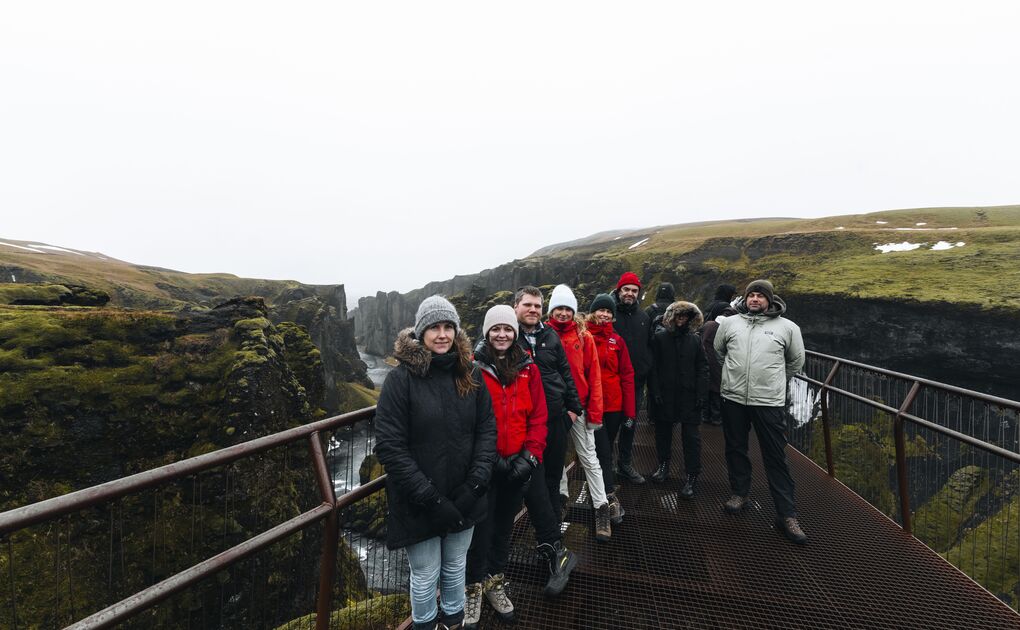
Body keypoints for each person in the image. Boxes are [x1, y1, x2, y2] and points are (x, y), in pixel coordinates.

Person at [374, 295, 497, 630]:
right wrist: (432, 500)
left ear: (456, 332)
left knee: (456, 565)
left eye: (448, 327)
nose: (442, 334)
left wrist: (473, 488)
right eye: (434, 328)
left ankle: (453, 623)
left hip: (464, 496)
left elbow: (487, 432)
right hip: (419, 502)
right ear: (421, 332)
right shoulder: (401, 381)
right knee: (426, 575)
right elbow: (390, 446)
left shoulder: (470, 374)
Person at [463, 305, 548, 628]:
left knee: (503, 528)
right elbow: (466, 421)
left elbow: (538, 417)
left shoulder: (529, 369)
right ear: (486, 332)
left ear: (515, 333)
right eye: (495, 329)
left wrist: (530, 456)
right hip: (484, 467)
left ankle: (495, 582)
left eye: (507, 329)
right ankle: (472, 588)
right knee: (478, 530)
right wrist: (487, 459)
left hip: (518, 465)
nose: (502, 334)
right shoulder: (472, 369)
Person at [714, 279, 807, 544]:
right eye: (751, 295)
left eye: (760, 296)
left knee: (775, 455)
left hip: (768, 401)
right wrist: (733, 377)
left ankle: (786, 514)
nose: (755, 299)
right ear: (745, 299)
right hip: (733, 398)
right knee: (734, 447)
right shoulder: (731, 324)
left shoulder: (787, 328)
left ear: (770, 300)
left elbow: (795, 361)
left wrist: (772, 381)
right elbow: (719, 352)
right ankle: (739, 493)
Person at [513, 286, 581, 595]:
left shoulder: (549, 336)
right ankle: (552, 545)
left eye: (537, 305)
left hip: (554, 420)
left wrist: (573, 411)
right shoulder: (503, 335)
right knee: (532, 483)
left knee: (553, 480)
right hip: (522, 425)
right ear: (516, 307)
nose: (533, 309)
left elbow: (565, 373)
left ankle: (554, 544)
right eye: (527, 304)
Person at [545, 284, 614, 542]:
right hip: (553, 409)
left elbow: (593, 376)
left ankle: (601, 506)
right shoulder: (543, 335)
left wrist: (595, 413)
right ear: (551, 310)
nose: (563, 313)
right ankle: (562, 497)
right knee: (557, 455)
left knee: (589, 457)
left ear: (573, 311)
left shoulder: (583, 337)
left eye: (567, 309)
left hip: (579, 407)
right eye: (558, 308)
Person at [647, 301, 708, 498]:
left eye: (686, 316)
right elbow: (653, 368)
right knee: (663, 433)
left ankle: (691, 476)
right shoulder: (659, 338)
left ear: (691, 319)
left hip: (689, 396)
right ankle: (663, 465)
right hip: (665, 395)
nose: (681, 319)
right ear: (672, 317)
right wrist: (654, 391)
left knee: (691, 438)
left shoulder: (695, 341)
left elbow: (702, 368)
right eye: (679, 316)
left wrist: (701, 394)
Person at [586, 292, 636, 525]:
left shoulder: (618, 341)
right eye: (601, 310)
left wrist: (630, 411)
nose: (604, 314)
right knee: (602, 452)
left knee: (604, 450)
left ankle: (597, 487)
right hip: (591, 405)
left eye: (608, 311)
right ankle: (607, 496)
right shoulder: (582, 336)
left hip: (614, 406)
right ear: (592, 312)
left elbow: (627, 375)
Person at [611, 272, 652, 484]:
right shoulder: (609, 314)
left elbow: (647, 347)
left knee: (630, 425)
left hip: (635, 384)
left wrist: (645, 370)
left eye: (634, 290)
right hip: (610, 384)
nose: (630, 293)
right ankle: (605, 466)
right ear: (619, 291)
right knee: (607, 427)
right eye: (626, 289)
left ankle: (625, 464)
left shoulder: (644, 318)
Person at [699, 305, 737, 426]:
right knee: (716, 391)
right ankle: (716, 418)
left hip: (704, 361)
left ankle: (704, 416)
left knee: (706, 390)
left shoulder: (709, 324)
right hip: (718, 363)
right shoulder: (728, 328)